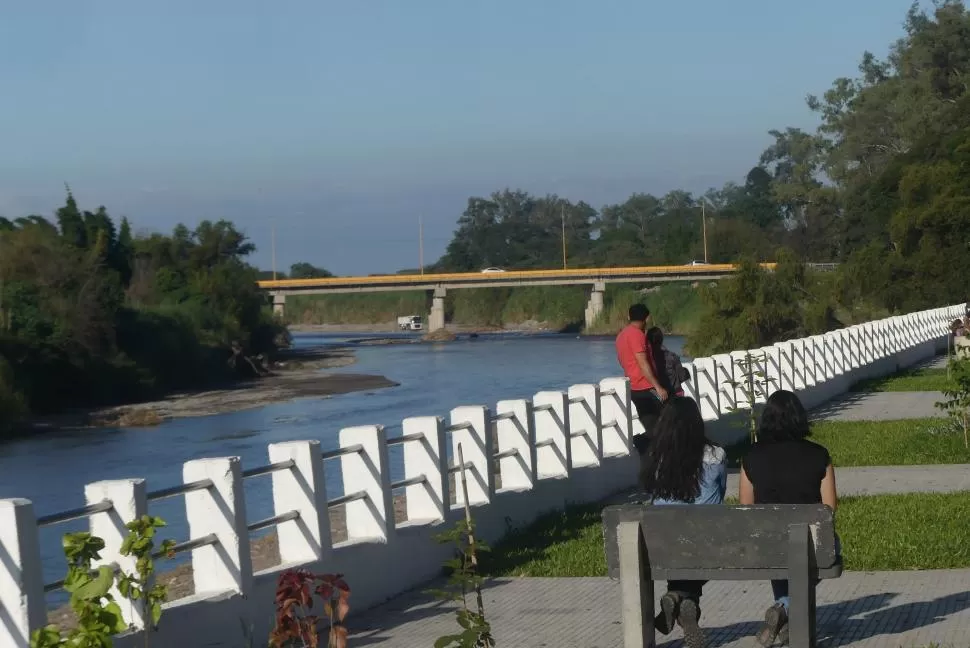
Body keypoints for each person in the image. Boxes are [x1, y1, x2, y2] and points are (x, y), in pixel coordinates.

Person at [738, 390, 840, 647]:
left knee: (779, 549)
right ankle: (784, 610)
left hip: (767, 545)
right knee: (819, 549)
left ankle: (784, 611)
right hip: (811, 545)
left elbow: (745, 509)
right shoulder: (819, 454)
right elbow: (829, 508)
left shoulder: (751, 456)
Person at [639, 396, 726, 648]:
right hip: (705, 544)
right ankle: (683, 600)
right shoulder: (716, 455)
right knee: (695, 549)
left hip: (661, 545)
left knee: (676, 549)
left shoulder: (655, 457)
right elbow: (718, 496)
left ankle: (677, 596)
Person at [615, 304, 668, 446]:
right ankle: (644, 444)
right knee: (669, 418)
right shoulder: (637, 335)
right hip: (647, 386)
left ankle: (651, 453)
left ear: (628, 316)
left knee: (650, 423)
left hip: (633, 387)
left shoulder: (621, 335)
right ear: (647, 318)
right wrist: (658, 386)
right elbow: (642, 362)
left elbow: (621, 360)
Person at [647, 326, 690, 397]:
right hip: (676, 393)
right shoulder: (672, 357)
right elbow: (682, 377)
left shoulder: (647, 360)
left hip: (658, 396)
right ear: (661, 339)